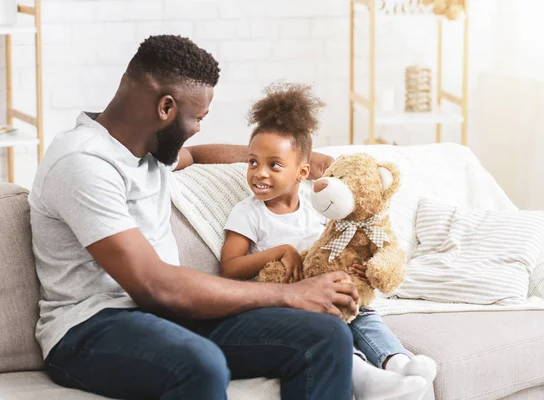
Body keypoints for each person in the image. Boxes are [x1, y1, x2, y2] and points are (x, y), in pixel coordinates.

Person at [29, 35, 361, 400]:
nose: (199, 127)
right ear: (166, 109)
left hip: (166, 318)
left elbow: (199, 155)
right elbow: (156, 287)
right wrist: (287, 294)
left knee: (325, 336)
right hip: (89, 329)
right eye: (198, 117)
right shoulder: (83, 163)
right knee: (200, 364)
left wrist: (302, 162)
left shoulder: (149, 151)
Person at [220, 82, 436, 400]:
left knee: (361, 310)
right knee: (325, 321)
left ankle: (396, 363)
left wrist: (359, 269)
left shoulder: (318, 203)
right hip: (286, 297)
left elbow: (343, 240)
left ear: (302, 172)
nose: (259, 173)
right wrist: (282, 251)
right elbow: (229, 268)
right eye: (253, 162)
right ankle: (360, 373)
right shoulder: (249, 212)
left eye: (273, 165)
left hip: (329, 285)